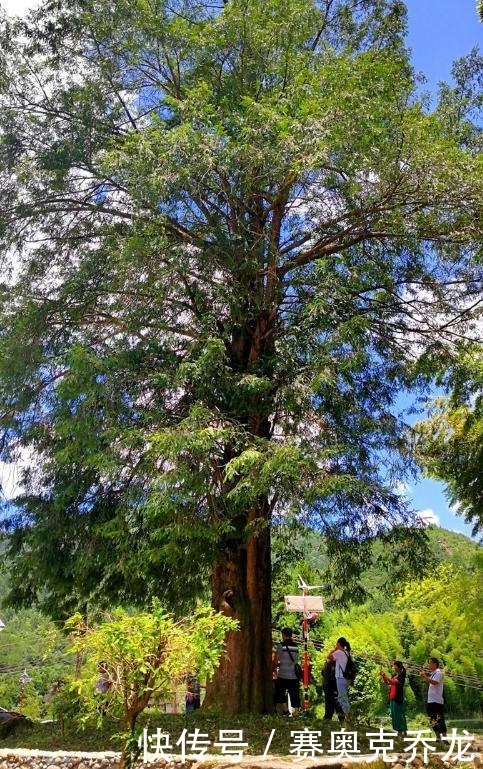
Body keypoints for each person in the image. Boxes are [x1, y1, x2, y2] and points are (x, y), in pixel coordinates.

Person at [419, 657, 447, 742]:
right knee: (432, 719)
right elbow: (428, 678)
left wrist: (424, 676)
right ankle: (438, 737)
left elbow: (434, 683)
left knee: (439, 719)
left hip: (437, 701)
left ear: (435, 664)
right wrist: (423, 675)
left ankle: (445, 738)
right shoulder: (433, 673)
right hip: (431, 700)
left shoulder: (439, 673)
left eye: (430, 663)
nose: (429, 665)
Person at [274, 627, 301, 716]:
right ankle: (296, 710)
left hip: (283, 673)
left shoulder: (281, 645)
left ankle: (285, 710)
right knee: (294, 693)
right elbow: (296, 660)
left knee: (280, 692)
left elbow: (276, 659)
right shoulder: (296, 646)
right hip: (293, 674)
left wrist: (275, 667)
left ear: (284, 635)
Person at [380, 660, 407, 736]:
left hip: (398, 698)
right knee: (395, 715)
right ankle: (399, 731)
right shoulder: (394, 675)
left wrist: (386, 677)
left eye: (394, 666)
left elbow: (393, 682)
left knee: (399, 715)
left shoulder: (402, 676)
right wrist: (383, 676)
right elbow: (387, 683)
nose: (393, 667)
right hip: (392, 697)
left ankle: (403, 731)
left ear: (398, 667)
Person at [327, 636, 351, 718]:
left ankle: (347, 715)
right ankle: (346, 714)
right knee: (343, 696)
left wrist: (334, 649)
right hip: (347, 678)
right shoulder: (347, 653)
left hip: (340, 678)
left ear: (338, 643)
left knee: (342, 697)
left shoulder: (338, 653)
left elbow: (329, 657)